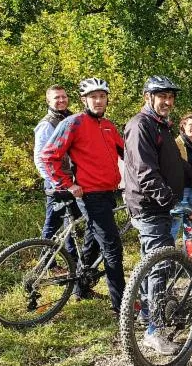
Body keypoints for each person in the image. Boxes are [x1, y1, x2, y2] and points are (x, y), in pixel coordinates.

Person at [124, 75, 192, 353]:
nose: (167, 101)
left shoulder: (161, 126)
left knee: (152, 263)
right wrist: (171, 201)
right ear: (148, 97)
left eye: (170, 97)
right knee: (160, 267)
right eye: (161, 96)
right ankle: (154, 331)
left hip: (159, 206)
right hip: (151, 207)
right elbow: (146, 172)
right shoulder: (140, 125)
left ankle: (146, 313)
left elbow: (175, 164)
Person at [41, 77, 125, 315]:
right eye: (93, 97)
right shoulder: (73, 123)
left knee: (93, 244)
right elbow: (49, 156)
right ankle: (122, 306)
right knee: (112, 248)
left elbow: (127, 155)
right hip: (90, 195)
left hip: (109, 192)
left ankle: (80, 287)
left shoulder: (109, 125)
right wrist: (66, 184)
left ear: (107, 99)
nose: (98, 101)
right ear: (84, 100)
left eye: (102, 96)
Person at [33, 85, 77, 261]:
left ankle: (73, 262)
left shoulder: (70, 118)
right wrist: (56, 183)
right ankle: (45, 265)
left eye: (64, 97)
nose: (61, 100)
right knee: (52, 224)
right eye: (56, 98)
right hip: (57, 183)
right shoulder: (47, 124)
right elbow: (40, 159)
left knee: (70, 224)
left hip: (73, 181)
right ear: (48, 101)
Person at [170, 113, 192, 241]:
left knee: (190, 223)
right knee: (175, 223)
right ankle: (168, 256)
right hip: (181, 189)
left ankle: (188, 255)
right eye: (191, 125)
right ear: (183, 126)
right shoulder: (176, 143)